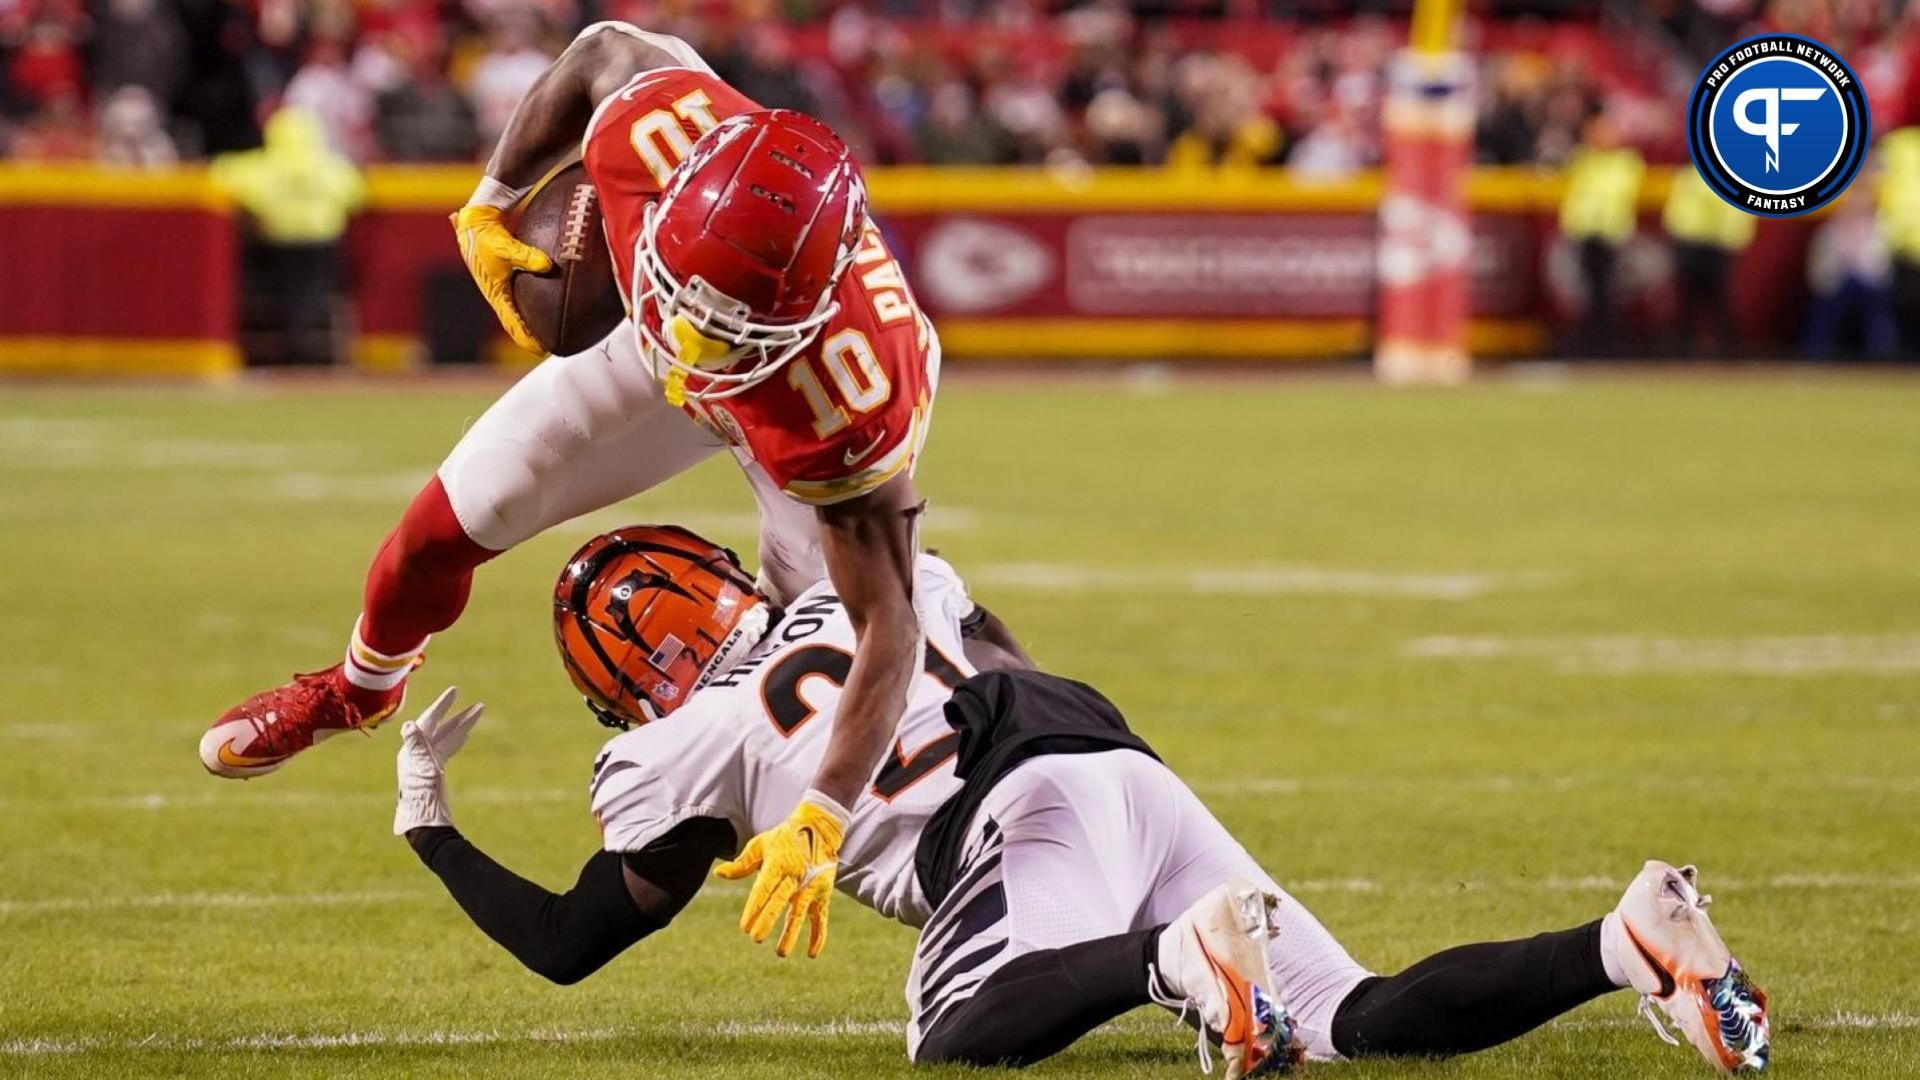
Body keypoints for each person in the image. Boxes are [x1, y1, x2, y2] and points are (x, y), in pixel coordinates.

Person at [391, 524, 1773, 1078]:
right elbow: (1005, 661)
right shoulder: (866, 587)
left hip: (1006, 808)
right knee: (1356, 1014)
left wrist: (433, 825)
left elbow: (579, 940)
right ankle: (1627, 941)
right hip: (1104, 752)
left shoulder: (670, 746)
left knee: (955, 1041)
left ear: (617, 675)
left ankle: (1174, 959)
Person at [201, 24, 941, 965]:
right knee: (440, 529)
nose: (689, 350)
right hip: (731, 334)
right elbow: (600, 51)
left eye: (716, 329)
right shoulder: (659, 143)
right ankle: (357, 690)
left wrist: (825, 816)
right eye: (680, 301)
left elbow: (890, 625)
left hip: (782, 402)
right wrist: (492, 202)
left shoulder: (849, 403)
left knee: (793, 681)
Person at [208, 107, 364, 365]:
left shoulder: (261, 166)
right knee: (314, 291)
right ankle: (306, 337)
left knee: (285, 291)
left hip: (277, 242)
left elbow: (220, 176)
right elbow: (357, 193)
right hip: (321, 241)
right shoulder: (331, 166)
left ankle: (293, 336)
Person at [1558, 113, 1644, 357]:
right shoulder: (1583, 159)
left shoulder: (1624, 161)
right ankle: (1592, 344)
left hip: (1610, 235)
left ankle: (1610, 344)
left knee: (1608, 293)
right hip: (1585, 234)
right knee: (1588, 293)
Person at [1661, 166, 1756, 357]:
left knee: (1720, 299)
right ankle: (1683, 349)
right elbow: (1678, 209)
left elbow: (1737, 213)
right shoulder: (1688, 174)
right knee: (1688, 299)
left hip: (1717, 246)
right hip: (1690, 243)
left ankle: (1731, 350)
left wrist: (1733, 239)